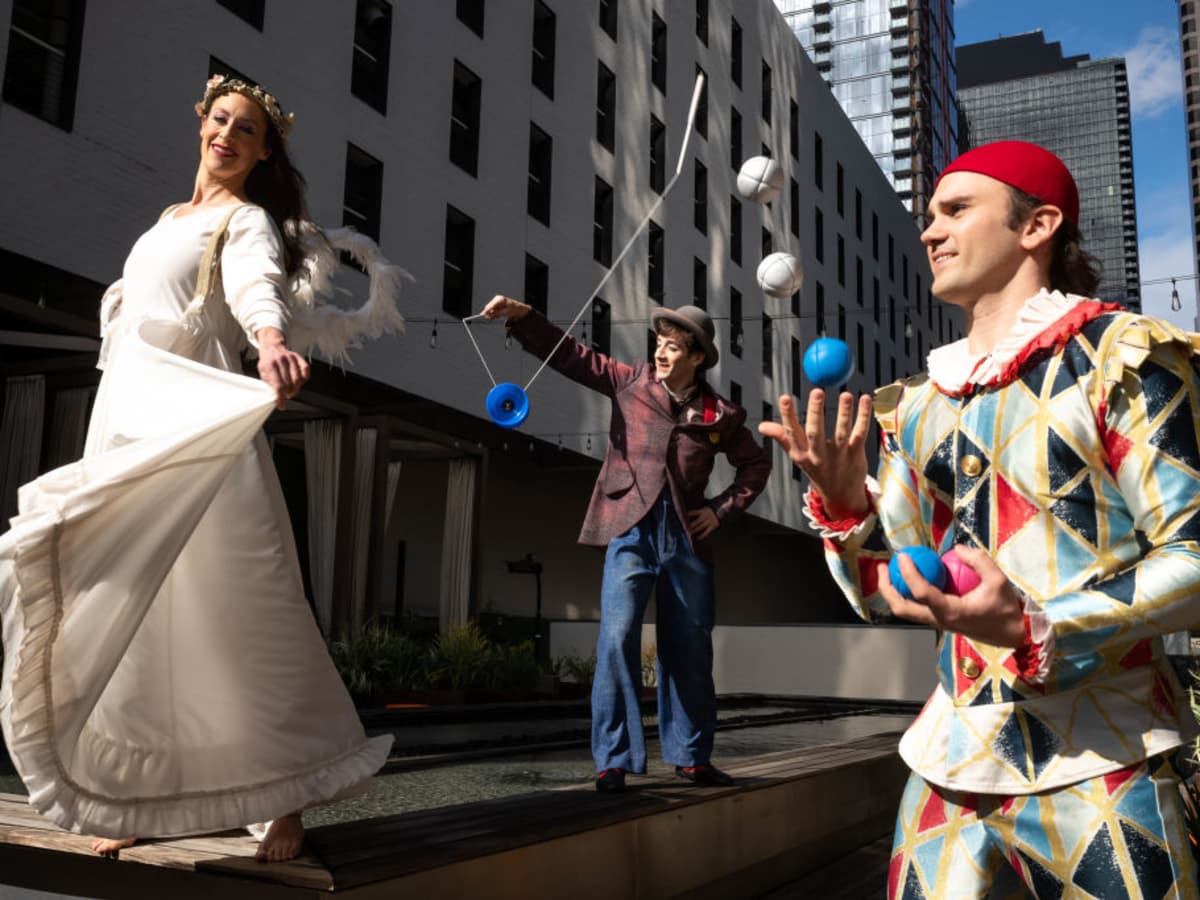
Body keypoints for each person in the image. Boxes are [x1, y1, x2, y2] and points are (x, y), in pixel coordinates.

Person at [762, 140, 1200, 896]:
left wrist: (1039, 621)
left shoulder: (1121, 357)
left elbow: (1193, 555)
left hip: (1107, 755)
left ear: (1038, 227)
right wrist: (842, 504)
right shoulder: (918, 404)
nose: (929, 231)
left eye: (956, 209)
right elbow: (886, 592)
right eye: (929, 214)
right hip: (950, 766)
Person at [0, 76, 392, 862]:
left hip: (196, 435)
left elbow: (257, 287)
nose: (228, 137)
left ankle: (286, 794)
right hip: (129, 431)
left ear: (262, 150)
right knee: (132, 607)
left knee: (235, 608)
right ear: (201, 125)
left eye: (246, 131)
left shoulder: (244, 221)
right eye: (220, 122)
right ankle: (144, 793)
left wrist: (272, 339)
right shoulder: (166, 222)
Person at [482, 296, 770, 793]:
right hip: (630, 529)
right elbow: (572, 354)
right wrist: (524, 317)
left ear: (697, 357)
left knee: (690, 649)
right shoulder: (629, 382)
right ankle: (612, 761)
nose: (661, 353)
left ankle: (692, 758)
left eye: (673, 347)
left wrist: (720, 511)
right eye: (658, 344)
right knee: (616, 639)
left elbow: (756, 466)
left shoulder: (720, 415)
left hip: (685, 537)